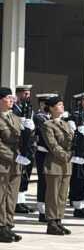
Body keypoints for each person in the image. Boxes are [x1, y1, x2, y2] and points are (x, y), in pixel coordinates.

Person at [41, 96, 73, 235]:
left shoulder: (66, 124)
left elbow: (71, 143)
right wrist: (67, 156)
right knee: (52, 195)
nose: (62, 106)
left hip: (66, 165)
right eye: (59, 104)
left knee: (62, 195)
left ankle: (59, 220)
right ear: (52, 108)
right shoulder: (47, 125)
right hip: (54, 164)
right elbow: (52, 145)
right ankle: (51, 222)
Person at [0, 87, 25, 242]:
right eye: (8, 97)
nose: (11, 100)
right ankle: (1, 226)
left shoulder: (16, 118)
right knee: (1, 196)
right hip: (3, 162)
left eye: (12, 98)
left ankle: (8, 224)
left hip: (16, 164)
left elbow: (22, 141)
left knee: (11, 195)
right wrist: (12, 155)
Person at [68, 92, 84, 218]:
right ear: (80, 102)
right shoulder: (74, 117)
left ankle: (83, 204)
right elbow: (72, 136)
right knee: (79, 179)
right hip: (79, 152)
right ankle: (78, 207)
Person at [33, 93, 55, 221]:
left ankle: (49, 209)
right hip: (43, 152)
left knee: (50, 182)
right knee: (43, 182)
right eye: (46, 103)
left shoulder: (50, 117)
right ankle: (42, 210)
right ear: (41, 104)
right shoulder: (39, 117)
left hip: (51, 153)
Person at [13, 84, 34, 214]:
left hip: (29, 145)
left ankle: (21, 200)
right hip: (19, 145)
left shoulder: (28, 108)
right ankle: (16, 202)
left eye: (28, 93)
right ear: (19, 94)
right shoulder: (14, 109)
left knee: (26, 173)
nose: (27, 96)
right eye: (25, 94)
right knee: (19, 173)